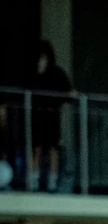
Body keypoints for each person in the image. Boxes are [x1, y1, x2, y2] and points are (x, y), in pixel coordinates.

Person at [26, 41, 73, 193]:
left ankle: (52, 182)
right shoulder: (32, 72)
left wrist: (71, 94)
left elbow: (68, 91)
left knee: (53, 149)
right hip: (37, 115)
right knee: (36, 148)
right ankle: (34, 180)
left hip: (52, 116)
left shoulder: (57, 72)